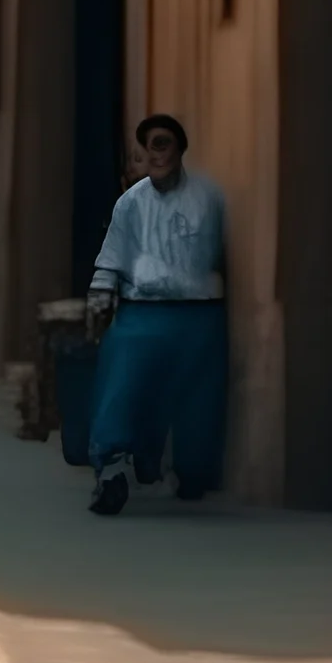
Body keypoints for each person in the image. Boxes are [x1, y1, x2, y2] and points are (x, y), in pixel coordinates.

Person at [85, 111, 228, 516]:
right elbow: (111, 255)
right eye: (150, 146)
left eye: (164, 143)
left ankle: (192, 472)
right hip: (143, 313)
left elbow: (222, 253)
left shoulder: (208, 198)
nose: (157, 154)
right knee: (124, 386)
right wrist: (100, 296)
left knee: (196, 399)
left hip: (198, 313)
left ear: (180, 148)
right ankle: (112, 466)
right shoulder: (131, 203)